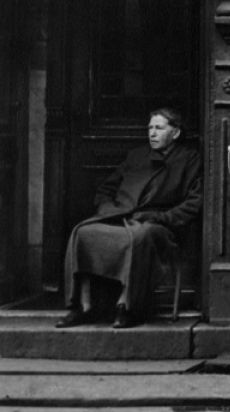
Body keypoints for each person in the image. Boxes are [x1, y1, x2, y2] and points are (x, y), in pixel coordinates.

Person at [57, 108, 202, 329]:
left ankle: (126, 306)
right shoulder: (136, 155)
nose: (152, 133)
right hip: (121, 216)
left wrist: (161, 217)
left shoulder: (189, 159)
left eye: (159, 128)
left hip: (159, 224)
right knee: (83, 233)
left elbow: (194, 203)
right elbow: (106, 188)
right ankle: (84, 306)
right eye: (150, 128)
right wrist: (108, 210)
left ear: (176, 133)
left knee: (138, 237)